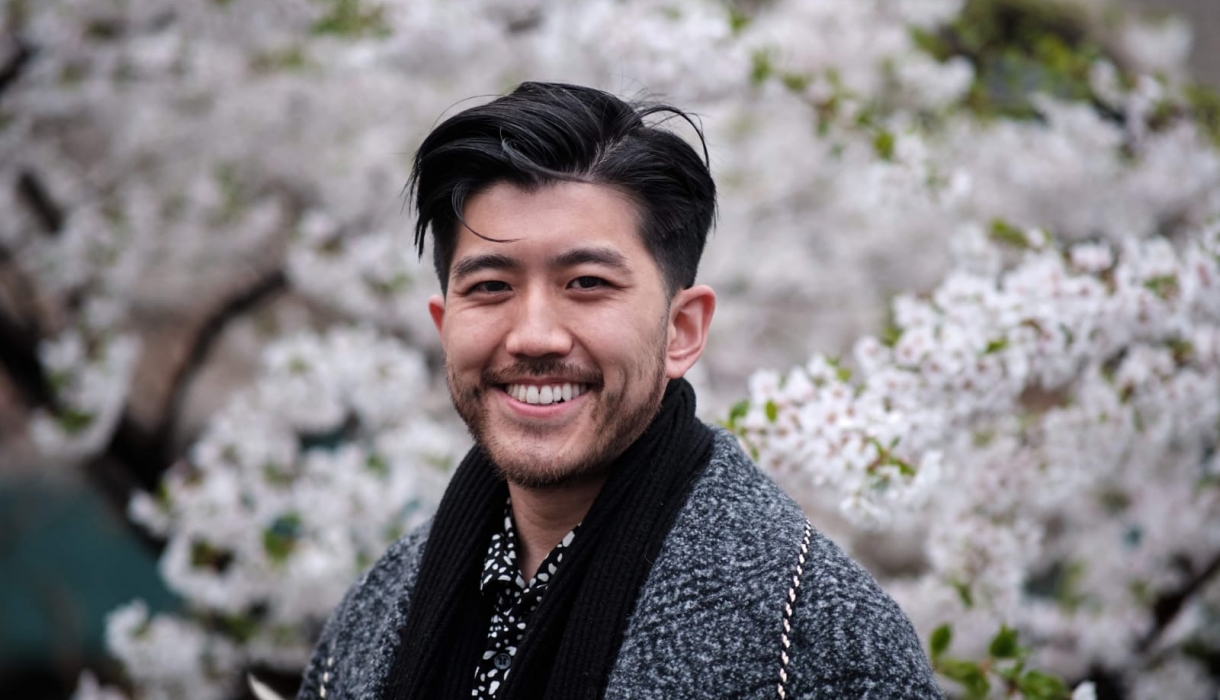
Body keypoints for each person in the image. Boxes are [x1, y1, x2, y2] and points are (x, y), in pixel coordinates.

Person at [295, 82, 942, 700]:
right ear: (445, 327)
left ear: (681, 330)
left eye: (586, 284)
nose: (535, 336)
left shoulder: (819, 649)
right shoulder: (370, 619)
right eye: (491, 287)